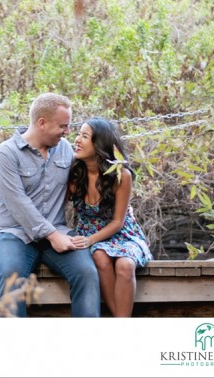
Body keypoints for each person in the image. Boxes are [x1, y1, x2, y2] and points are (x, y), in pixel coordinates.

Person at [0, 93, 100, 317]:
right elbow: (18, 204)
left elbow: (86, 182)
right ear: (42, 123)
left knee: (87, 272)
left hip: (58, 231)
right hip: (14, 234)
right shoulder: (6, 154)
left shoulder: (65, 149)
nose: (67, 132)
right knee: (11, 276)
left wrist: (119, 198)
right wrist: (52, 235)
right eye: (63, 126)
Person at [68, 117, 153, 317]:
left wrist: (90, 240)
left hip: (122, 232)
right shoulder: (73, 174)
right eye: (78, 134)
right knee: (100, 255)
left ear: (99, 144)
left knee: (125, 264)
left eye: (84, 136)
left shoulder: (121, 175)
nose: (77, 140)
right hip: (90, 232)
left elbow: (118, 222)